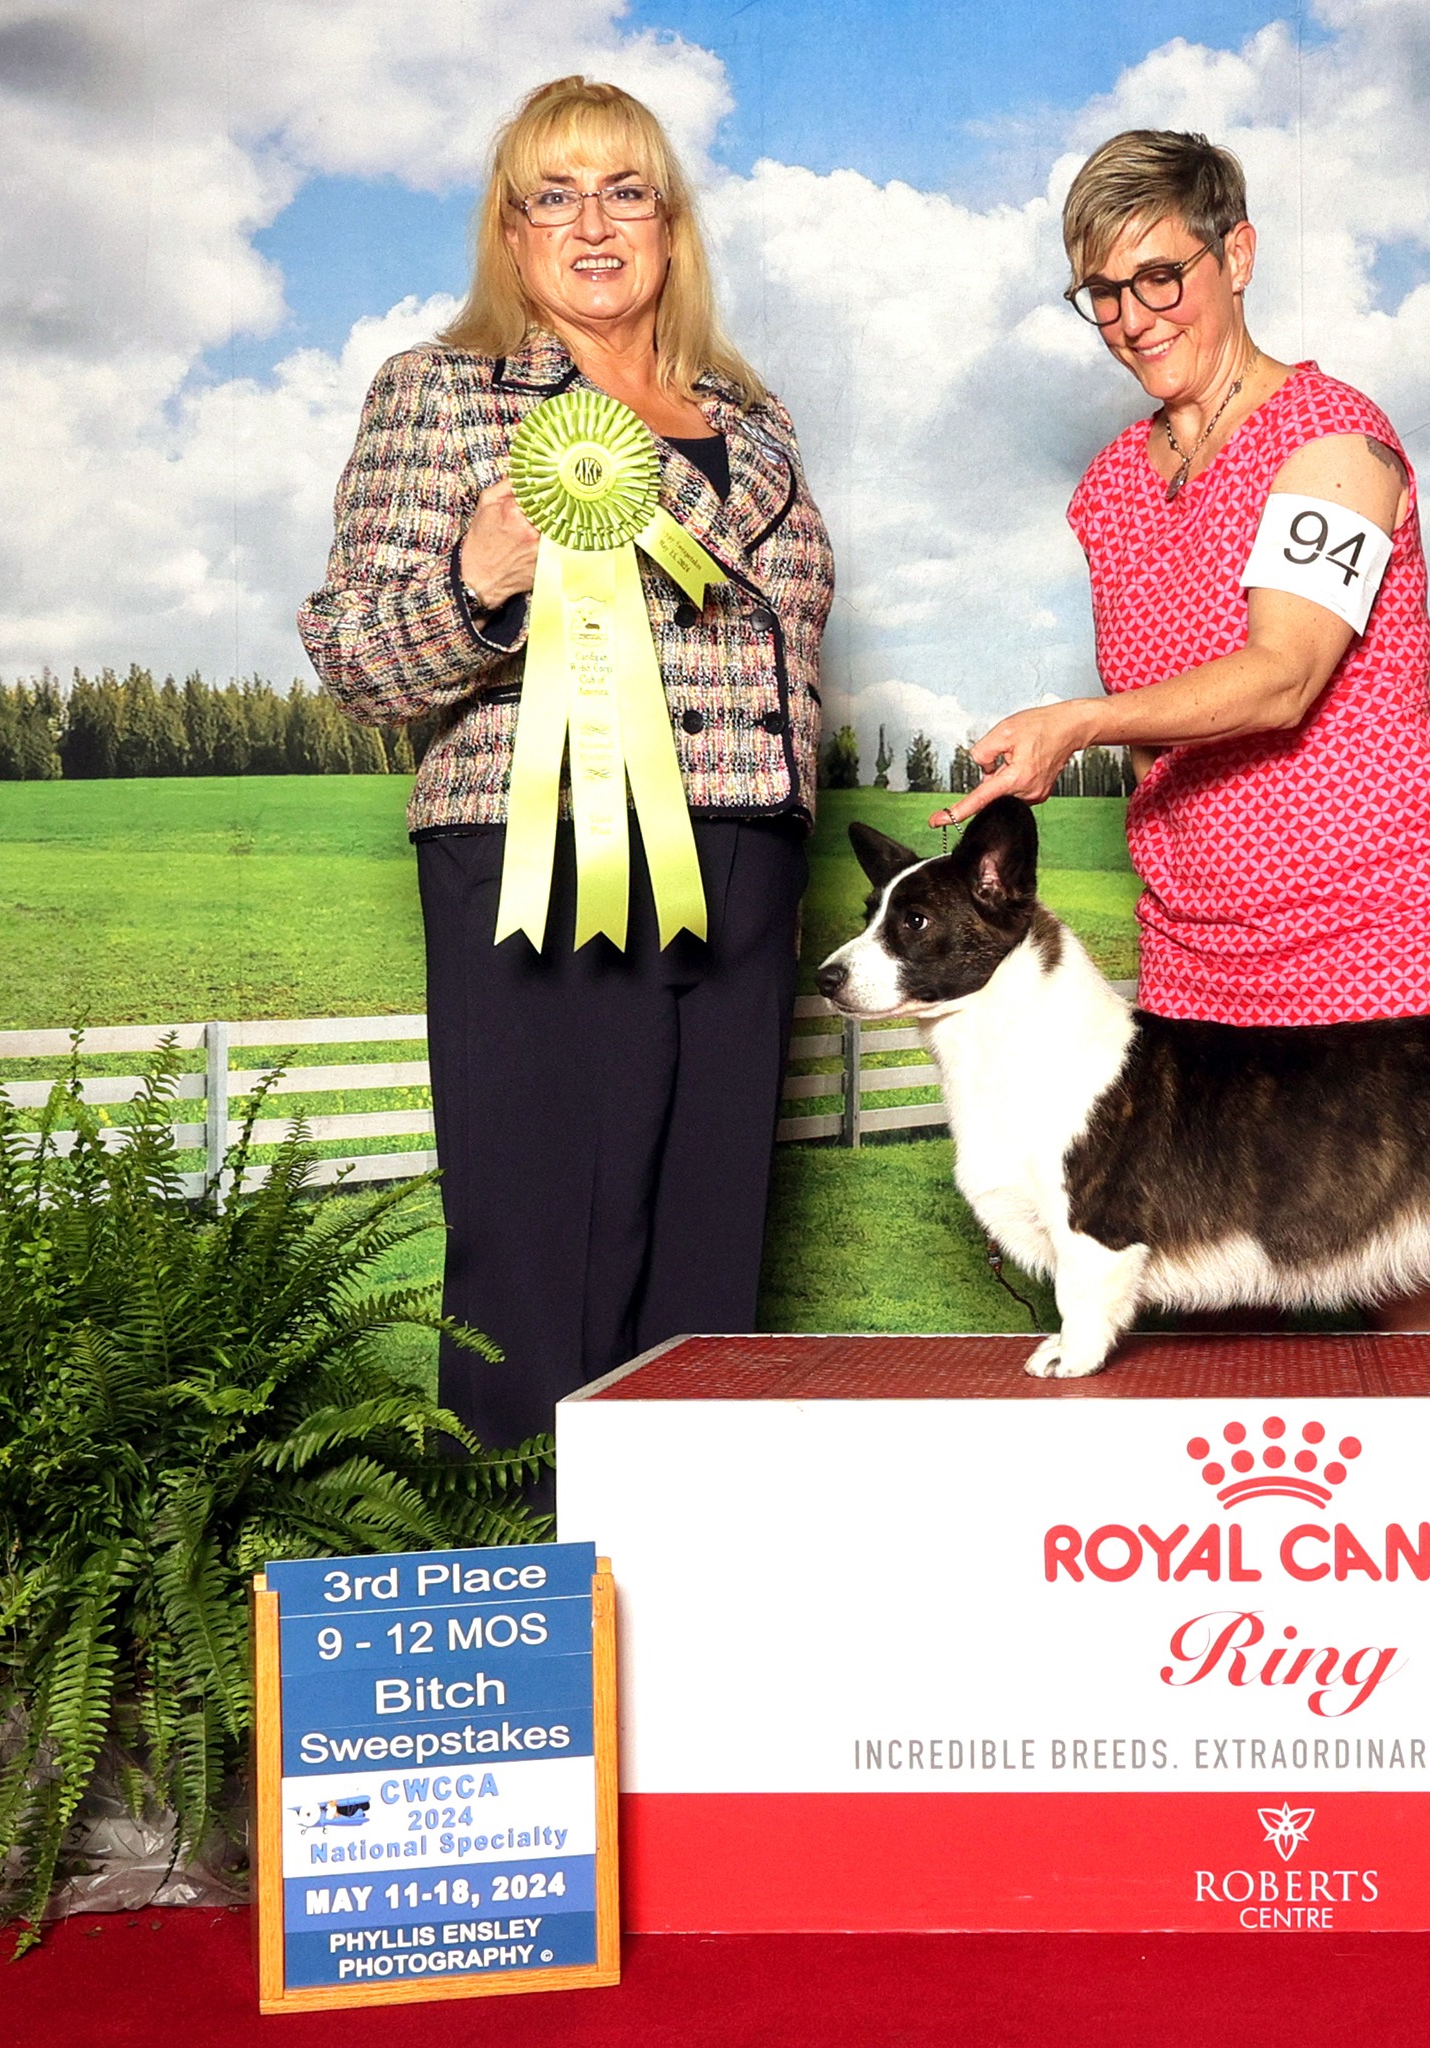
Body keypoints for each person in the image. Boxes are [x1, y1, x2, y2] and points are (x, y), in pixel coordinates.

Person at [300, 77, 833, 1455]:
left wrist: (778, 840)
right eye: (555, 195)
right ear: (510, 231)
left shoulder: (755, 418)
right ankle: (522, 1564)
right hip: (540, 855)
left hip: (743, 870)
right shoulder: (441, 393)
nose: (593, 225)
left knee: (707, 1280)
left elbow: (785, 645)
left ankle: (683, 1567)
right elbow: (355, 659)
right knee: (543, 1265)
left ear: (671, 226)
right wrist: (475, 581)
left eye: (625, 192)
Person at [934, 129, 1430, 1332]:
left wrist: (1078, 720)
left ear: (1235, 255)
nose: (1133, 317)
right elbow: (1167, 727)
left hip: (1374, 926)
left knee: (1407, 1264)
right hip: (1197, 943)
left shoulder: (1335, 442)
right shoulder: (1108, 487)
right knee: (1199, 1279)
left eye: (1161, 276)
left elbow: (1283, 677)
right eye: (1102, 290)